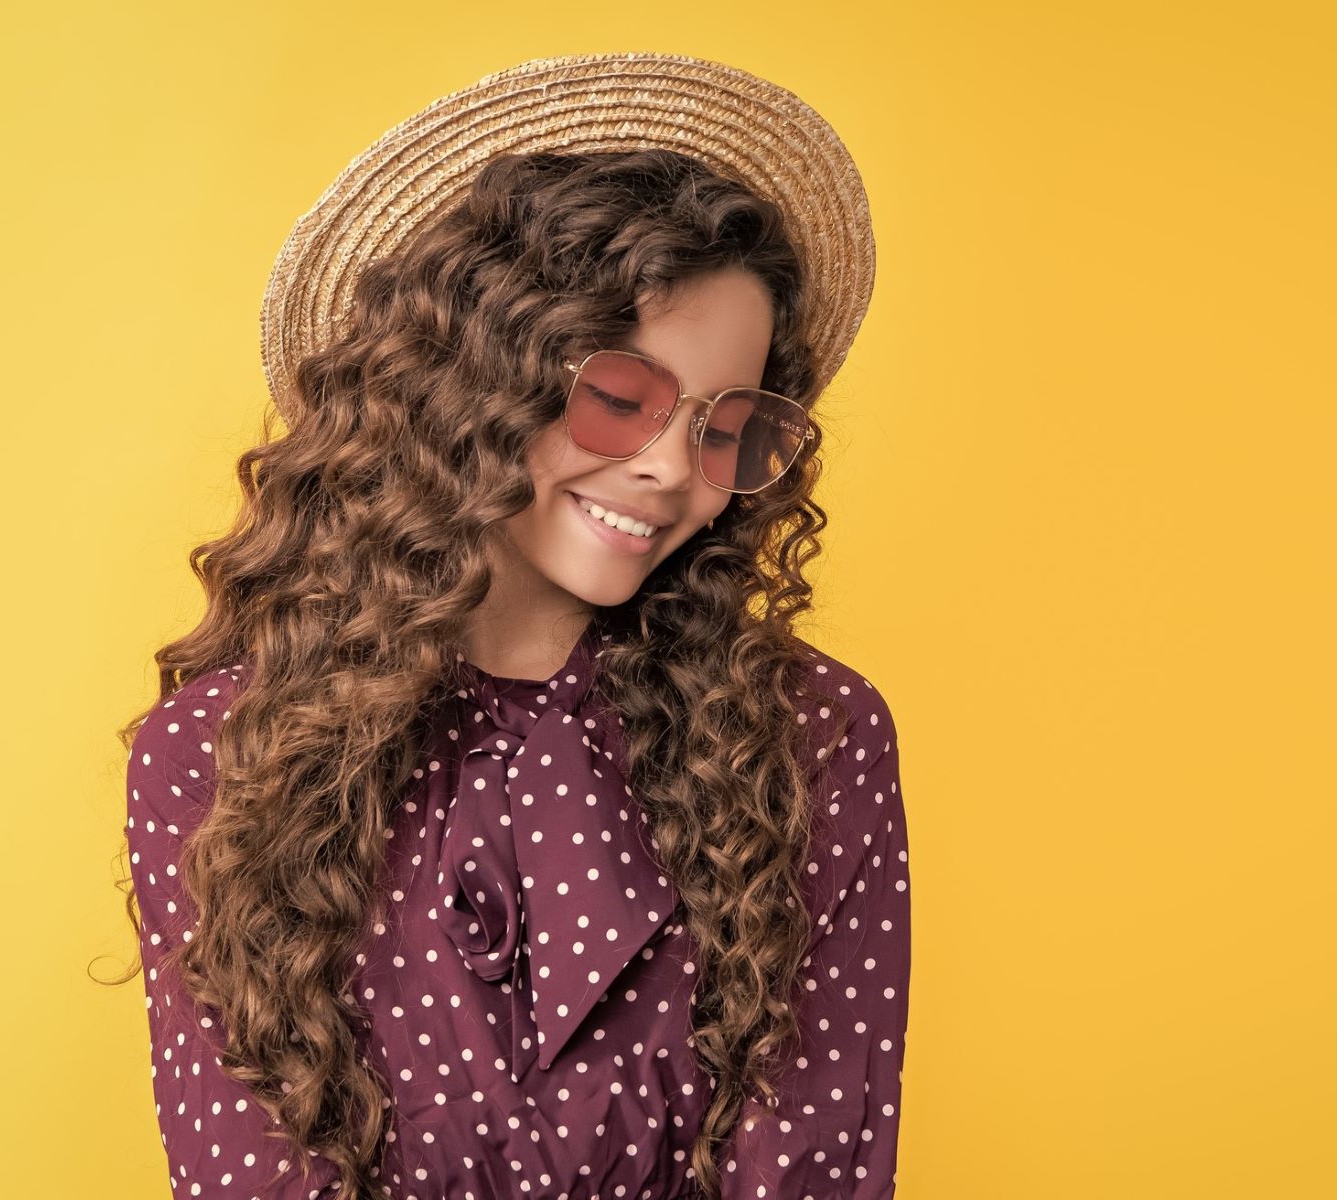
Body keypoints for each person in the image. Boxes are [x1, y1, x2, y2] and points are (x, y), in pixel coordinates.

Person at [118, 52, 911, 1200]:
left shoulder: (813, 736)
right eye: (619, 394)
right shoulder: (216, 758)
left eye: (723, 426)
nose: (662, 469)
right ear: (474, 383)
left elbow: (816, 1167)